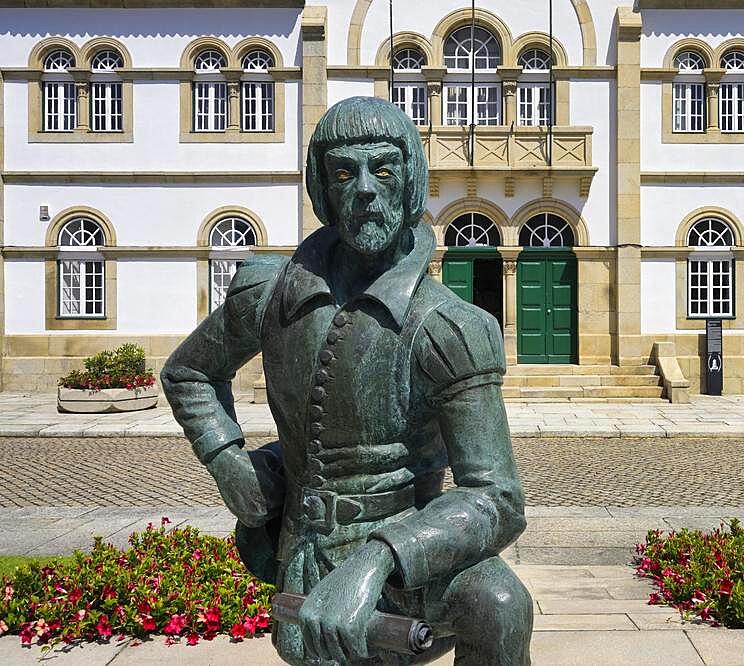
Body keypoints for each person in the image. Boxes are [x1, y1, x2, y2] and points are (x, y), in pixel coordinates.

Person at [161, 96, 532, 666]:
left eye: (382, 169)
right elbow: (190, 371)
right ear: (323, 189)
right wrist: (227, 459)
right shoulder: (270, 295)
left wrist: (378, 557)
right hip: (302, 543)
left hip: (409, 552)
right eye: (344, 172)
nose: (363, 188)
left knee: (500, 604)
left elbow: (496, 498)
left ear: (411, 180)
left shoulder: (451, 328)